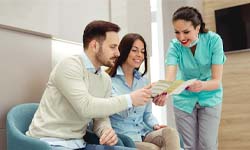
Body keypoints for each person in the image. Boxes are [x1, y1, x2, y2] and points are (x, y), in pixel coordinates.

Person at [26, 20, 153, 150]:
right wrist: (130, 99)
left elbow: (100, 117)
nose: (118, 53)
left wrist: (105, 131)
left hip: (79, 144)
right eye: (112, 47)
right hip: (48, 143)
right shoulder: (70, 66)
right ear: (94, 46)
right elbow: (86, 106)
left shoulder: (105, 79)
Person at [158, 6, 227, 150]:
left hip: (210, 96)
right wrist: (164, 92)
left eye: (186, 32)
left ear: (198, 28)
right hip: (183, 99)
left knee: (207, 145)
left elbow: (216, 81)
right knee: (189, 146)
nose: (181, 37)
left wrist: (201, 85)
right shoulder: (175, 46)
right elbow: (170, 76)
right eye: (177, 32)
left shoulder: (213, 41)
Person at [107, 33, 181, 150]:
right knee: (152, 148)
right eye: (134, 50)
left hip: (143, 133)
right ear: (124, 51)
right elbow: (119, 111)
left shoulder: (143, 81)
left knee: (170, 132)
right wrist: (136, 98)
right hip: (123, 136)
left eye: (142, 51)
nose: (139, 55)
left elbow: (147, 115)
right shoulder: (109, 81)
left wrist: (155, 125)